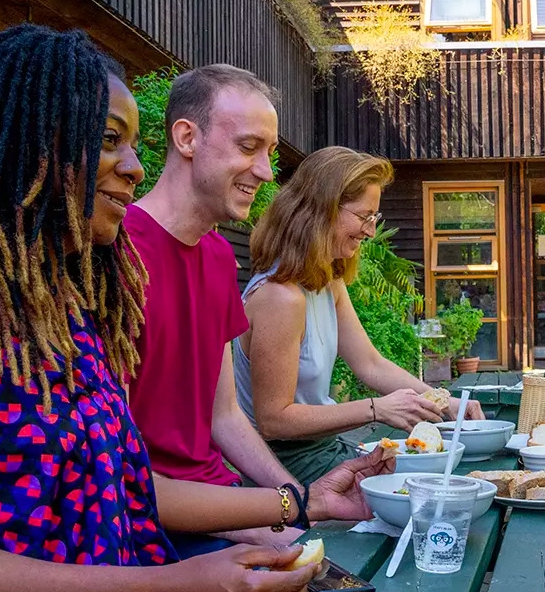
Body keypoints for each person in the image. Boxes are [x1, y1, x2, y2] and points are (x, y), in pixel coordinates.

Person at [0, 25, 323, 592]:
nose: (135, 167)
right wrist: (172, 586)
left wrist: (296, 503)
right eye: (107, 139)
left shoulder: (62, 304)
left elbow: (123, 487)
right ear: (28, 138)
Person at [125, 65, 389, 557]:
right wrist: (284, 510)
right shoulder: (118, 252)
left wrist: (302, 502)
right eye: (249, 148)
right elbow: (118, 472)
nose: (267, 172)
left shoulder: (219, 257)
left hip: (223, 496)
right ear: (186, 137)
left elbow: (224, 417)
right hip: (149, 520)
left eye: (268, 153)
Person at [233, 146, 482, 485]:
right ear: (323, 210)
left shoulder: (326, 280)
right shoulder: (279, 297)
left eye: (373, 219)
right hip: (281, 469)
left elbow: (370, 364)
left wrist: (443, 402)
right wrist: (377, 409)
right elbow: (274, 420)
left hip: (324, 451)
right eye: (364, 216)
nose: (369, 231)